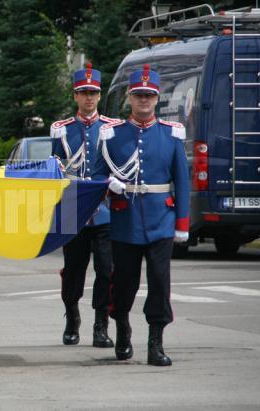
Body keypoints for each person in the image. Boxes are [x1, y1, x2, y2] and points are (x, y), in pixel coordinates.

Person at [92, 64, 189, 366]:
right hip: (125, 220)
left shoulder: (171, 134)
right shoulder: (112, 135)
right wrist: (110, 183)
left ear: (157, 98)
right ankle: (121, 325)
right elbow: (97, 176)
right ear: (130, 99)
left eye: (149, 95)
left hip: (161, 219)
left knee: (160, 281)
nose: (144, 100)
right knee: (124, 283)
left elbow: (182, 181)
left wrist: (182, 223)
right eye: (138, 95)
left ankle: (155, 343)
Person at [50, 63, 114, 348]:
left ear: (99, 96)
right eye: (83, 92)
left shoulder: (112, 128)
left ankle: (101, 323)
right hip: (73, 212)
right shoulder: (61, 130)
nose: (88, 98)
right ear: (75, 96)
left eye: (93, 93)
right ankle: (72, 316)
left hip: (103, 213)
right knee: (74, 271)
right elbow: (55, 170)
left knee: (106, 269)